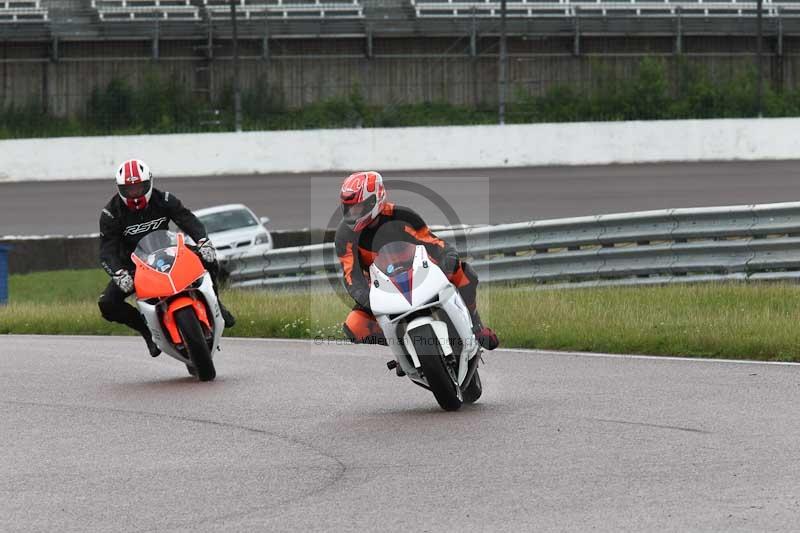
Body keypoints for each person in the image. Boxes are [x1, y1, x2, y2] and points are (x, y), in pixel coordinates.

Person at [334, 170, 499, 351]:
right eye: (349, 208)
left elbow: (435, 244)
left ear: (375, 200)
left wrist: (448, 259)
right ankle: (403, 348)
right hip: (382, 288)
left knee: (464, 273)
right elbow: (351, 274)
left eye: (357, 208)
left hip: (421, 274)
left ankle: (476, 328)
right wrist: (366, 297)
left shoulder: (403, 216)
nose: (352, 213)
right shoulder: (345, 235)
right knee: (354, 327)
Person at [97, 159, 235, 357]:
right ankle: (146, 332)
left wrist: (204, 241)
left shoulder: (165, 199)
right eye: (129, 189)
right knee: (107, 303)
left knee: (209, 257)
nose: (135, 194)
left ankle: (217, 304)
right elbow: (106, 250)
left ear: (149, 183)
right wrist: (118, 273)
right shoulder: (110, 214)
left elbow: (188, 220)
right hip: (134, 266)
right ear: (120, 189)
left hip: (169, 252)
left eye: (139, 187)